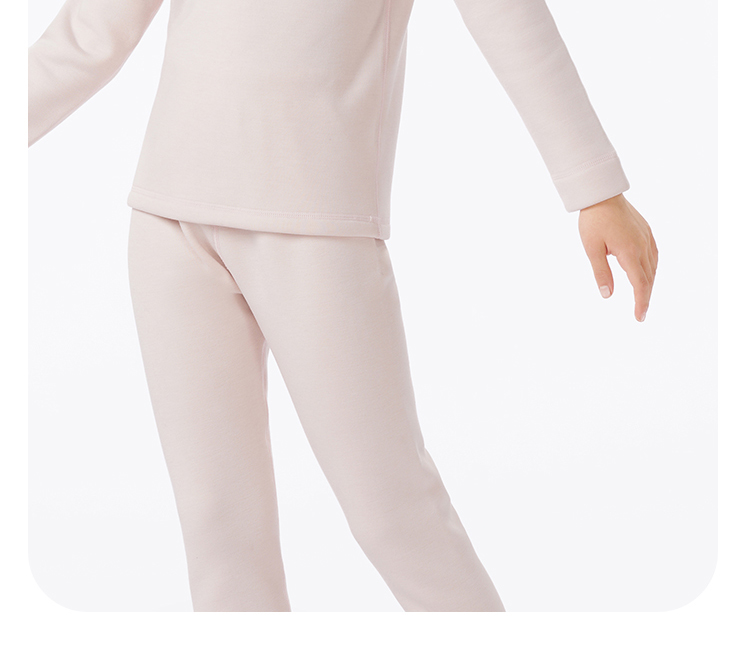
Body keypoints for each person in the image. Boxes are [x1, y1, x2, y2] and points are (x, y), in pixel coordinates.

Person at [28, 0, 658, 612]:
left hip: (319, 222)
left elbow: (505, 11)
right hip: (169, 218)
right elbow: (87, 35)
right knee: (218, 525)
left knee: (394, 513)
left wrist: (595, 189)